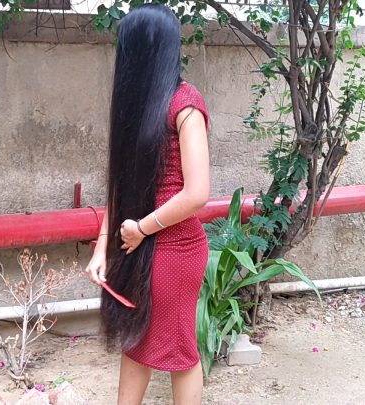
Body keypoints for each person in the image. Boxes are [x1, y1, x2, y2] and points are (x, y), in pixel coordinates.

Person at [84, 4, 211, 405]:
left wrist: (142, 228)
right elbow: (120, 184)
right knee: (136, 341)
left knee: (179, 351)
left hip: (175, 249)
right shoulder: (136, 105)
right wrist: (103, 246)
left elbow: (197, 193)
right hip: (136, 244)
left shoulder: (185, 103)